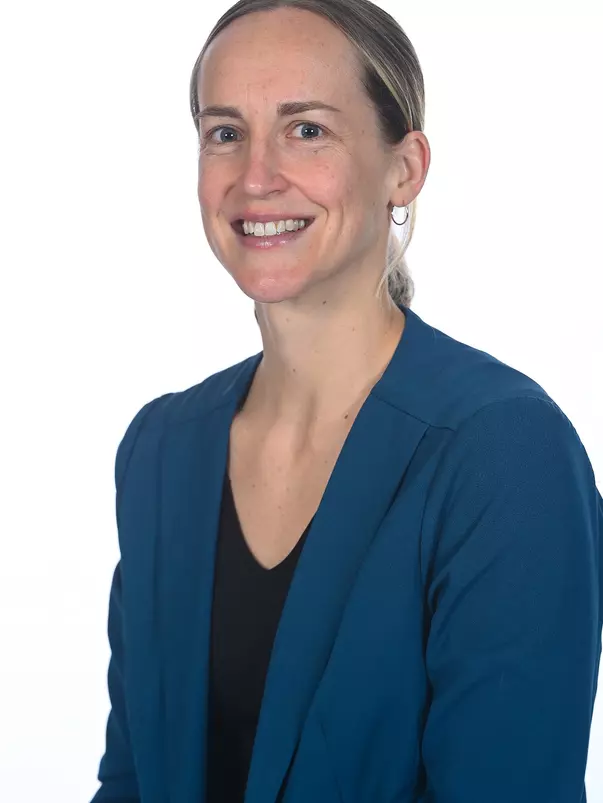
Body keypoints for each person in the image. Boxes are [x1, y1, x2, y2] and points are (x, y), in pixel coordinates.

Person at [89, 1, 603, 802]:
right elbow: (129, 781)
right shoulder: (161, 449)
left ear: (405, 168)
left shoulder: (501, 452)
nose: (255, 176)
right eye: (225, 133)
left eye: (306, 130)